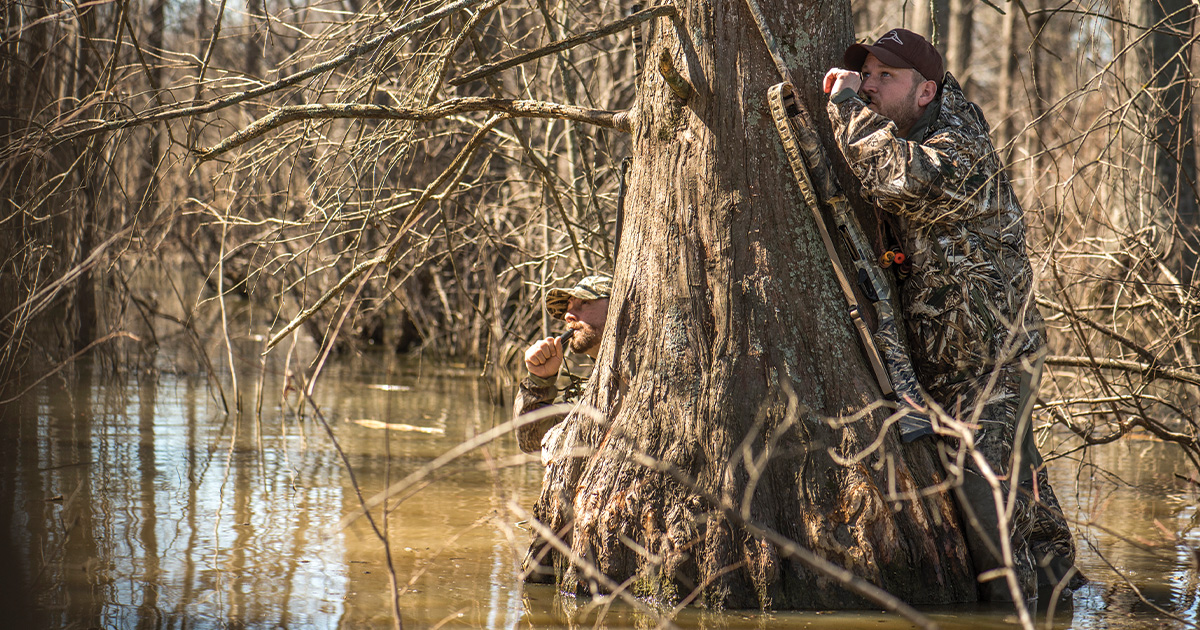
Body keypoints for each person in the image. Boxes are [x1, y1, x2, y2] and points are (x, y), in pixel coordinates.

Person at [821, 29, 1084, 601]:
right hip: (963, 359)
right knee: (1025, 505)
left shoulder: (956, 144)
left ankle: (1014, 614)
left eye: (884, 77)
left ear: (924, 91)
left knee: (991, 517)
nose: (867, 85)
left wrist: (846, 111)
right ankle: (1067, 601)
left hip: (987, 365)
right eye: (866, 74)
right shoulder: (918, 129)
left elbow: (906, 179)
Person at [514, 274, 612, 456]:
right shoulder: (589, 389)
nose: (568, 315)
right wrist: (539, 380)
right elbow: (532, 442)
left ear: (614, 304)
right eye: (568, 306)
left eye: (584, 303)